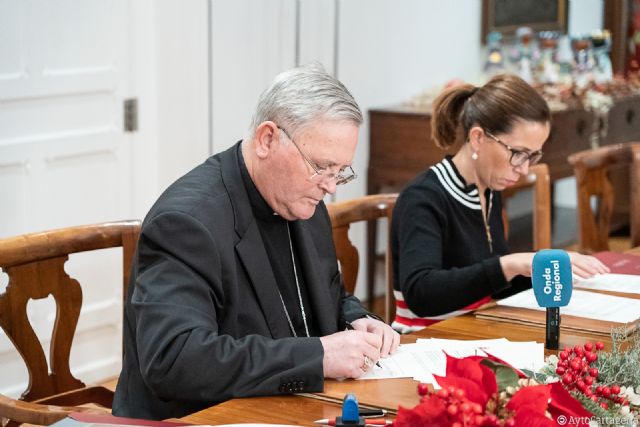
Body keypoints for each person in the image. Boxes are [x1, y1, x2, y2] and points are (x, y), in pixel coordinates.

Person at [113, 63, 400, 419]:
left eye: (340, 172)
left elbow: (330, 296)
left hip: (291, 407)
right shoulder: (187, 223)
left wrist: (358, 319)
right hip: (202, 417)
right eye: (322, 167)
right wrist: (318, 356)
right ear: (267, 139)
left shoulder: (304, 203)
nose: (330, 186)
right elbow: (174, 359)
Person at [390, 74, 609, 333]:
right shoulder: (424, 197)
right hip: (424, 342)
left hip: (474, 330)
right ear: (478, 138)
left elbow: (489, 282)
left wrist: (548, 268)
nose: (524, 168)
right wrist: (510, 264)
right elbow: (422, 294)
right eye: (517, 153)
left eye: (533, 155)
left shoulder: (488, 188)